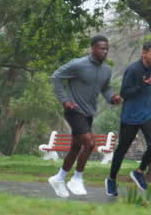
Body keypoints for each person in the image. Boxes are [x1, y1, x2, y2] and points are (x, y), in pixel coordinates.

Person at [48, 35, 121, 197]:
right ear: (93, 48)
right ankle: (77, 178)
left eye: (107, 49)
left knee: (76, 148)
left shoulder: (106, 70)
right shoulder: (78, 64)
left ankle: (59, 178)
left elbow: (106, 88)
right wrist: (64, 100)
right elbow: (56, 77)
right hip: (73, 110)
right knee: (89, 143)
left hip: (88, 113)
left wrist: (112, 98)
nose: (105, 51)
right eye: (102, 48)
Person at [105, 42, 151, 197]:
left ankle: (139, 172)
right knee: (122, 150)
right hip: (130, 116)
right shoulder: (133, 70)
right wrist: (140, 85)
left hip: (146, 114)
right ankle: (111, 179)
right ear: (143, 54)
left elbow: (148, 87)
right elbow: (124, 92)